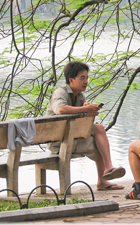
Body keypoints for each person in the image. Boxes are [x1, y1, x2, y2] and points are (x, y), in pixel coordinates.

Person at [46, 61, 126, 190]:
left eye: (87, 78)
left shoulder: (80, 96)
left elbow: (81, 123)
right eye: (82, 78)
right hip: (59, 142)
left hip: (72, 137)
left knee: (99, 134)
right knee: (100, 145)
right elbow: (60, 109)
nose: (86, 81)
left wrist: (88, 110)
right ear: (71, 80)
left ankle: (106, 172)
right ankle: (105, 175)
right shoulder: (61, 93)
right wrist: (84, 110)